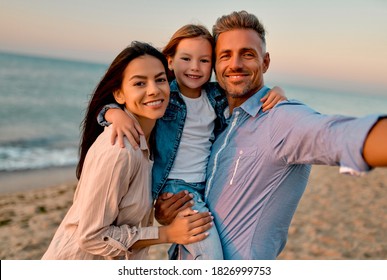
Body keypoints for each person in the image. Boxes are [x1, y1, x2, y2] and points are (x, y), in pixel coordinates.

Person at [154, 11, 387, 260]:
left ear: (265, 62)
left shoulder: (281, 119)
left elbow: (336, 135)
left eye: (247, 54)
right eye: (225, 56)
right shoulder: (219, 120)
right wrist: (167, 211)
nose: (235, 64)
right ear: (216, 65)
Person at [97, 24, 287, 259]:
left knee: (187, 251)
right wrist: (113, 113)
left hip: (208, 186)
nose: (195, 68)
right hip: (179, 190)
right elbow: (126, 103)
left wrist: (275, 91)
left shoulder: (215, 96)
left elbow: (246, 92)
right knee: (209, 257)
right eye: (186, 59)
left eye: (205, 61)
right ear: (170, 61)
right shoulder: (165, 95)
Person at [42, 41, 213, 260]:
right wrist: (167, 234)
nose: (154, 90)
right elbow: (92, 236)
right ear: (120, 94)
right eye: (139, 83)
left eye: (160, 80)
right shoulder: (120, 150)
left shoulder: (152, 142)